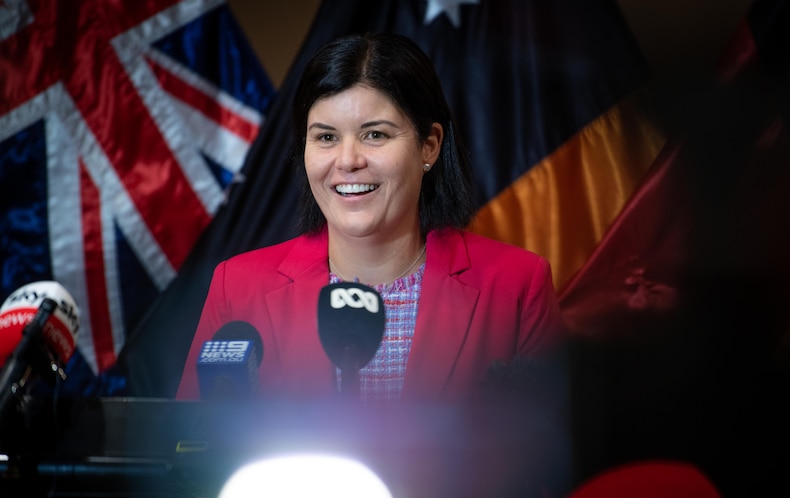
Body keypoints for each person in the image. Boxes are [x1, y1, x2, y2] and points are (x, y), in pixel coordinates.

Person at [176, 32, 566, 402]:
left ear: (428, 146)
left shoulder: (517, 287)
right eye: (326, 137)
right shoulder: (239, 287)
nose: (348, 161)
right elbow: (192, 453)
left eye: (375, 135)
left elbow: (544, 461)